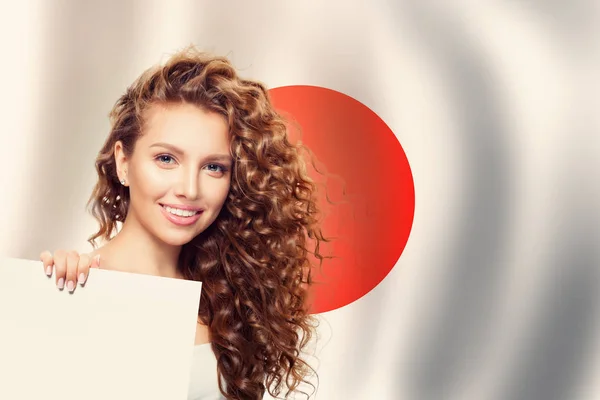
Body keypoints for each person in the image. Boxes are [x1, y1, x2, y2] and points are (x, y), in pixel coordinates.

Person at [38, 46, 328, 400]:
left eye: (213, 167)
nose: (190, 189)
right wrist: (51, 300)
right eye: (166, 159)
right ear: (123, 162)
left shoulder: (227, 299)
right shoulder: (72, 290)